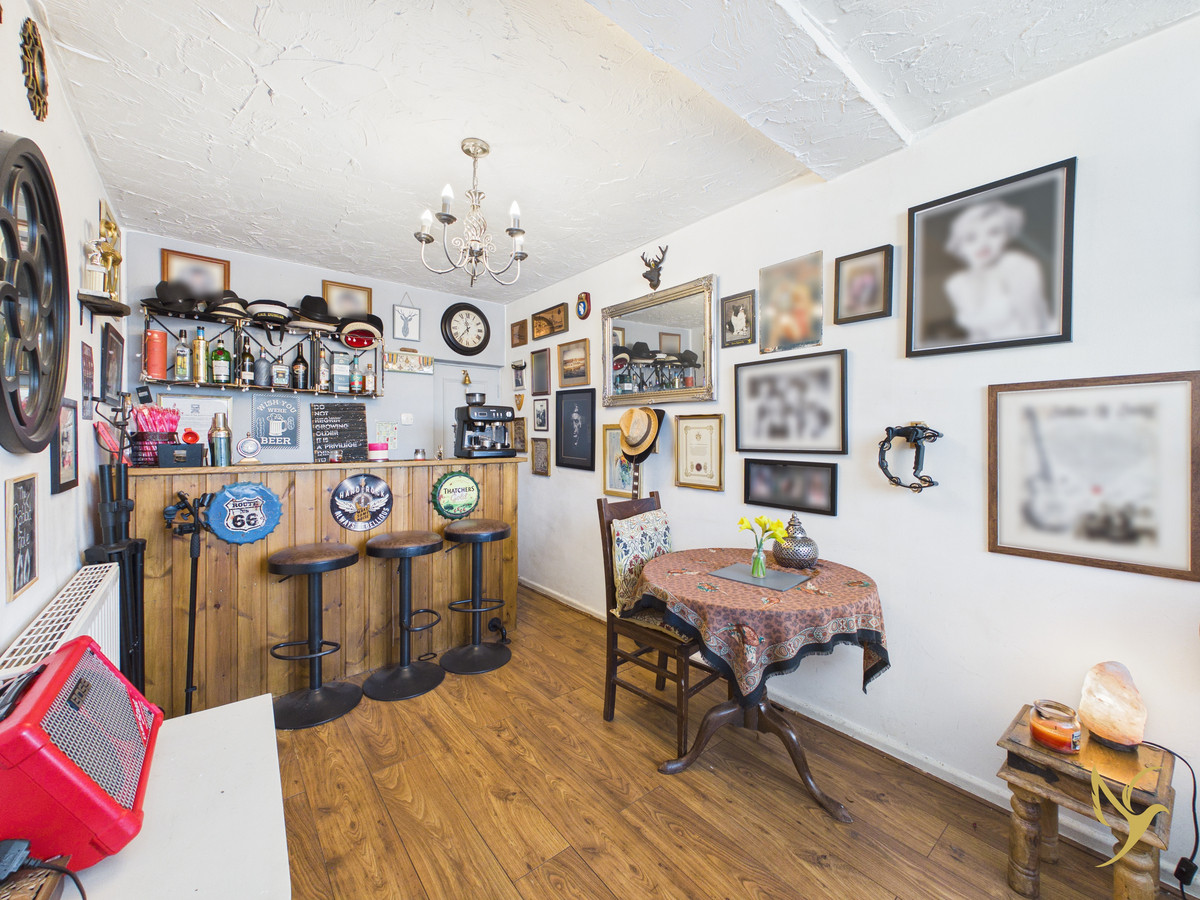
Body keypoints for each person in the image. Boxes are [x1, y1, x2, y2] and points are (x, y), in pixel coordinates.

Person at [943, 200, 1051, 343]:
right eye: (971, 238)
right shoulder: (956, 283)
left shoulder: (1018, 266)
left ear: (1006, 235)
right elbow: (978, 335)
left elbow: (1034, 327)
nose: (983, 243)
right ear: (959, 246)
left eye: (994, 232)